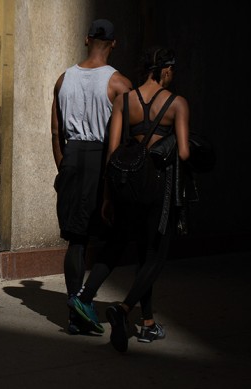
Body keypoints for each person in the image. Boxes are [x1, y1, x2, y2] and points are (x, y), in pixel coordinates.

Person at [71, 46, 191, 353]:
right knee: (153, 255)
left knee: (118, 243)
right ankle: (124, 310)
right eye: (172, 71)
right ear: (165, 70)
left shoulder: (125, 100)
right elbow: (183, 153)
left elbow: (112, 152)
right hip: (158, 186)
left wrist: (109, 196)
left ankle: (136, 318)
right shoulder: (177, 103)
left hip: (126, 183)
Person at [51, 19, 132, 334]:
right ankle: (83, 301)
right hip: (102, 157)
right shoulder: (119, 83)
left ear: (86, 40)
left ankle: (75, 311)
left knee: (76, 239)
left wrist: (64, 164)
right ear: (114, 44)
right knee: (114, 234)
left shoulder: (63, 79)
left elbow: (56, 130)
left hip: (72, 157)